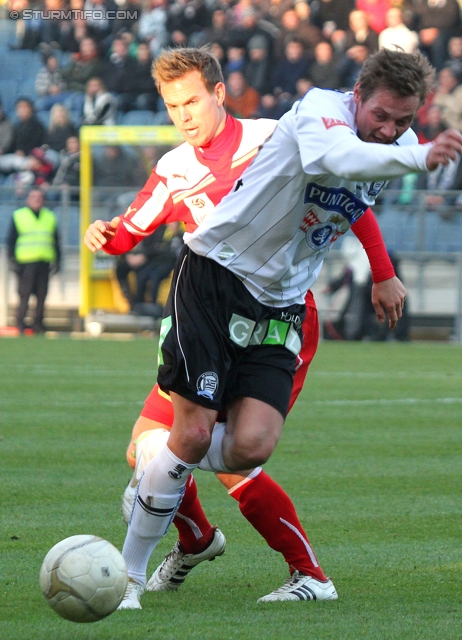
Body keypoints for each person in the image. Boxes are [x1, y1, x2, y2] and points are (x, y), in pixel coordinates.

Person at [83, 48, 442, 608]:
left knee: (240, 448)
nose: (183, 113)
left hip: (281, 306)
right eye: (172, 104)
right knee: (180, 438)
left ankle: (168, 484)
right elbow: (136, 225)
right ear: (357, 99)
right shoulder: (317, 116)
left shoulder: (283, 135)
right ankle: (134, 573)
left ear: (218, 94)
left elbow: (356, 192)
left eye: (192, 99)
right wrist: (109, 234)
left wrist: (383, 270)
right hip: (213, 281)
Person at [7, 188, 60, 334]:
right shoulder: (19, 216)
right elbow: (11, 240)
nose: (36, 200)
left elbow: (56, 241)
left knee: (42, 295)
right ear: (27, 199)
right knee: (24, 294)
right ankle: (20, 323)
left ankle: (38, 324)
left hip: (44, 260)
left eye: (39, 197)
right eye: (33, 197)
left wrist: (58, 261)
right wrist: (12, 260)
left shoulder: (50, 216)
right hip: (25, 262)